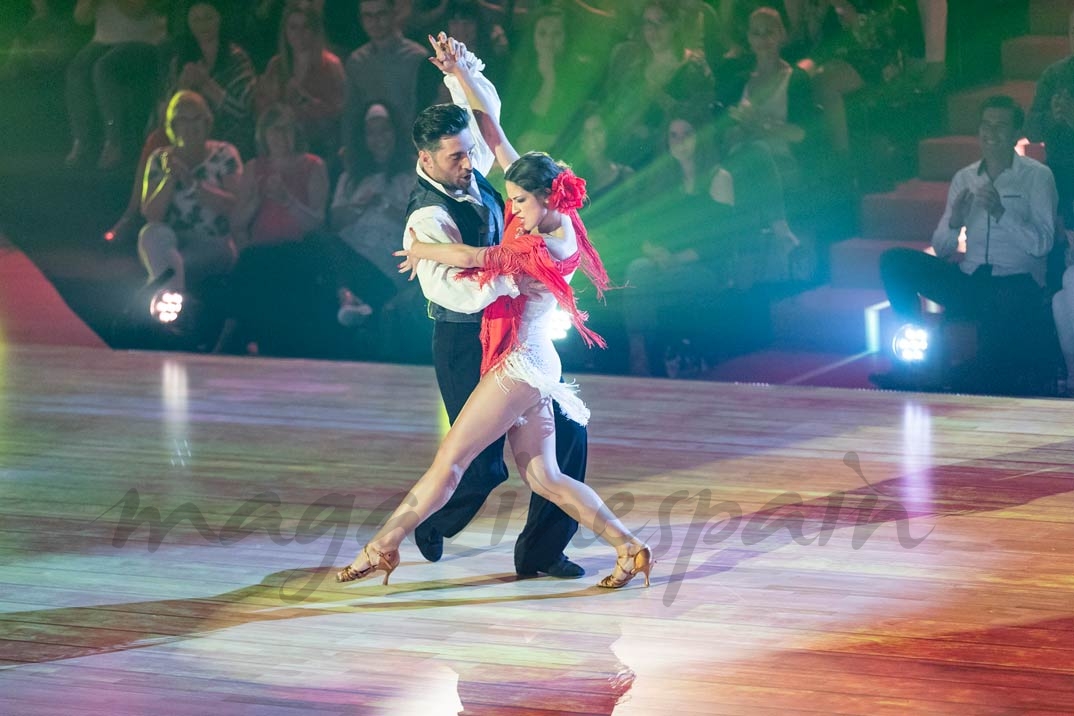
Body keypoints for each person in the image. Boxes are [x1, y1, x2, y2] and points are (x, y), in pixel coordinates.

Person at [337, 35, 652, 588]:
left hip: (519, 363)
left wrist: (421, 250)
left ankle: (383, 545)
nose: (515, 207)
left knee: (452, 461)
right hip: (530, 358)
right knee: (547, 477)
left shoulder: (537, 244)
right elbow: (498, 138)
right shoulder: (556, 213)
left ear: (548, 198)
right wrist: (460, 76)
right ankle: (630, 547)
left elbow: (477, 257)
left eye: (521, 202)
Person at [875, 95, 1058, 390]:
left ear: (1015, 133)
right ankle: (915, 347)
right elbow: (944, 250)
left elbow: (1042, 245)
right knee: (895, 261)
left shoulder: (1037, 177)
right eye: (986, 125)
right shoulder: (965, 177)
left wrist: (1001, 213)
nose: (991, 133)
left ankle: (952, 380)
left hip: (1016, 282)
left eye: (1000, 126)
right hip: (971, 279)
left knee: (988, 370)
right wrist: (954, 221)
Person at [138, 90, 242, 297]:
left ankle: (168, 302)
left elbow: (236, 206)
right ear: (172, 126)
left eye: (196, 119)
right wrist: (170, 177)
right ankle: (174, 300)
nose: (190, 126)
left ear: (207, 122)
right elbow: (152, 215)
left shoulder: (224, 154)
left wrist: (192, 184)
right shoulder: (160, 158)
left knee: (170, 267)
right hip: (171, 242)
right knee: (151, 234)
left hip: (213, 242)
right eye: (183, 120)